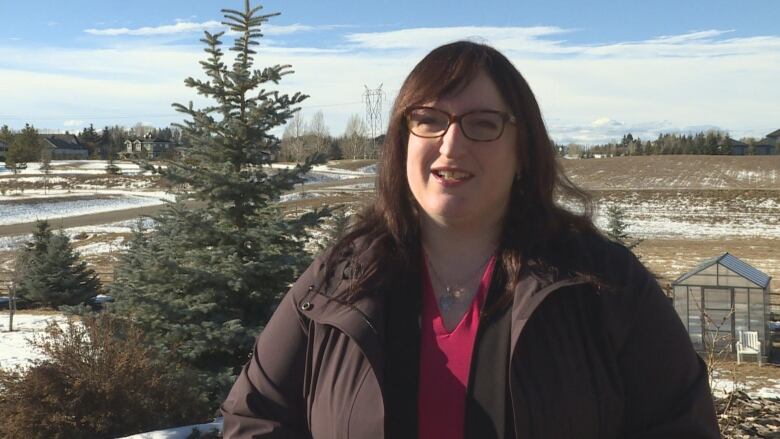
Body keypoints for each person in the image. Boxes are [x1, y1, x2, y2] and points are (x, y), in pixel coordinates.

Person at [221, 41, 720, 439]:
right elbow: (255, 417)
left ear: (523, 150)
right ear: (402, 140)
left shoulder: (603, 284)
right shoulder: (338, 280)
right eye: (429, 120)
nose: (451, 145)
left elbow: (683, 427)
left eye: (482, 124)